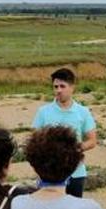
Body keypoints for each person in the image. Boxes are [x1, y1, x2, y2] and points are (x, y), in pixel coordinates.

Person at [31, 68, 97, 197]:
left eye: (62, 86)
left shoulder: (83, 112)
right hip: (48, 174)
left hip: (76, 173)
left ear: (72, 87)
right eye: (55, 87)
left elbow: (92, 140)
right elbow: (34, 141)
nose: (58, 90)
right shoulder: (43, 112)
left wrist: (72, 150)